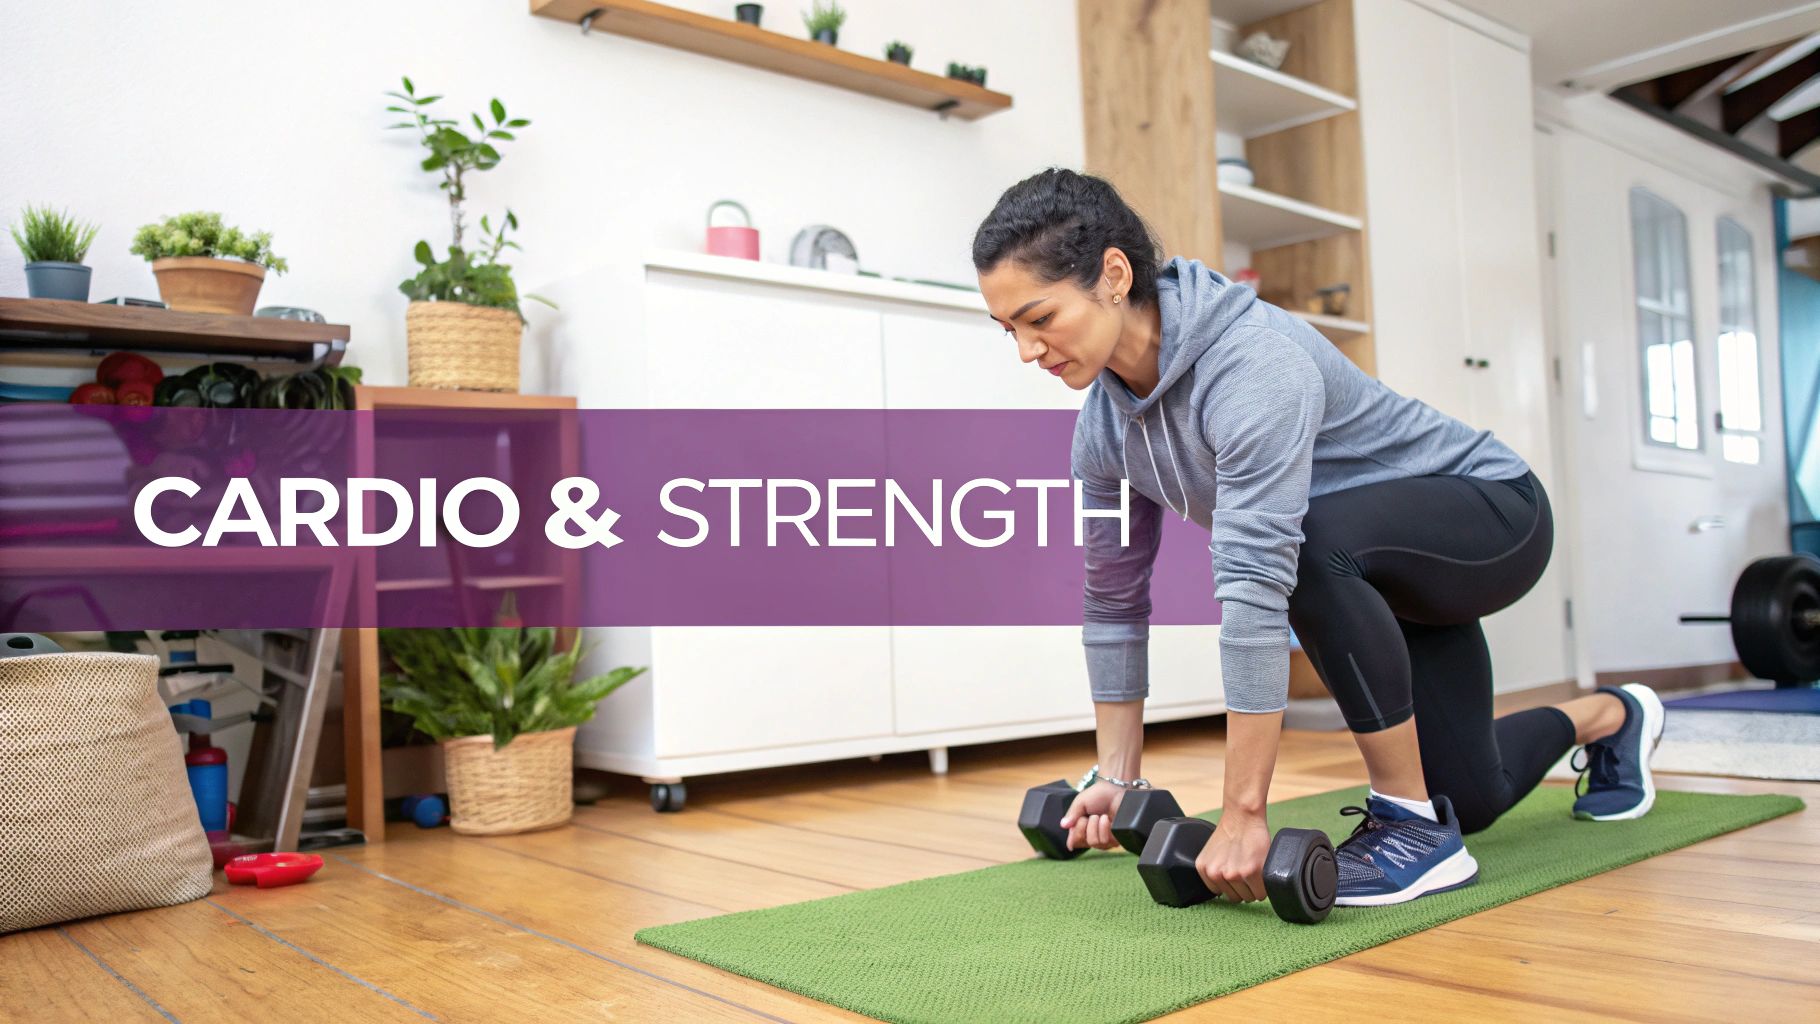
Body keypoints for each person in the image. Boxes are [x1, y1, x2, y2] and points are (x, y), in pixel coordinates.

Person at [971, 168, 1665, 907]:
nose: (1026, 350)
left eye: (1039, 318)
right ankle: (1617, 714)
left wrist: (1245, 813)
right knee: (1472, 792)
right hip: (1370, 570)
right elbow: (1112, 598)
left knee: (1301, 550)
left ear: (1113, 274)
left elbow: (1254, 588)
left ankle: (1410, 827)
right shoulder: (1104, 432)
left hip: (1492, 513)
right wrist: (1118, 774)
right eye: (1009, 327)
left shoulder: (1253, 365)